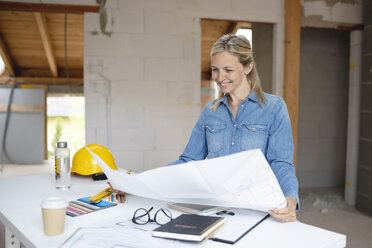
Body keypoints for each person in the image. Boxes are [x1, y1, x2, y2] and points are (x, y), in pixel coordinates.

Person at [169, 34, 299, 223]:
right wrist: (142, 181)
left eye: (228, 69)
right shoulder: (209, 112)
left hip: (258, 209)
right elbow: (189, 160)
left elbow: (281, 163)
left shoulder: (275, 108)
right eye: (215, 69)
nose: (219, 77)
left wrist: (290, 197)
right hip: (215, 209)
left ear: (248, 67)